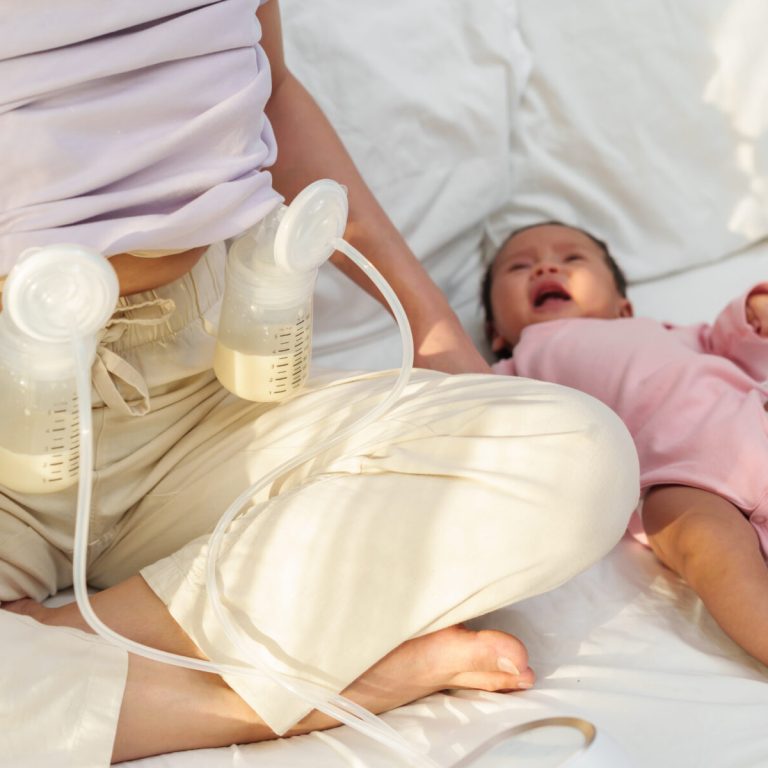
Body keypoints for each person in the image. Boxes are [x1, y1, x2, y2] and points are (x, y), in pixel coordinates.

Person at [0, 5, 639, 766]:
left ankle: (63, 637)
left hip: (202, 399)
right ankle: (281, 698)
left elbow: (271, 89)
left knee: (577, 457)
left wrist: (436, 335)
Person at [482, 220, 768, 668]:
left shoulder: (665, 332)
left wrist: (753, 314)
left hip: (753, 421)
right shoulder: (514, 370)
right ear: (495, 332)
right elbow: (466, 403)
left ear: (623, 306)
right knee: (703, 545)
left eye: (572, 258)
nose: (546, 268)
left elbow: (731, 342)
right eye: (519, 267)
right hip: (675, 480)